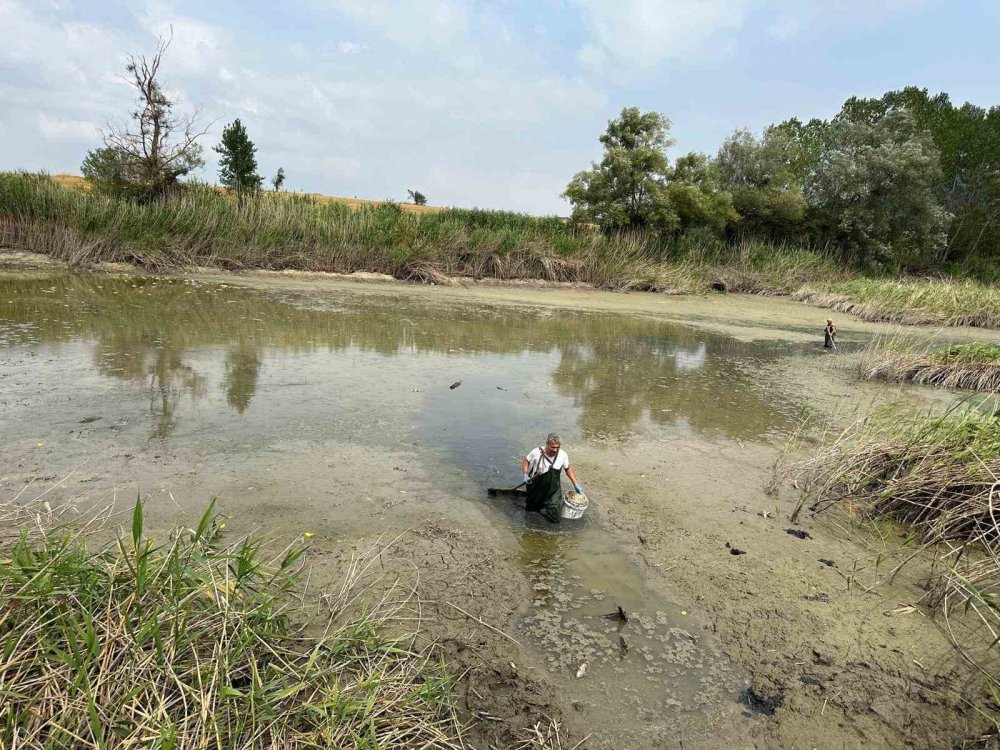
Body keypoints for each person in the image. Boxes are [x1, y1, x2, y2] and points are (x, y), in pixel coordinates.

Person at [521, 433, 584, 523]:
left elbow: (568, 468)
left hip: (553, 491)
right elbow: (526, 460)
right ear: (547, 444)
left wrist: (576, 484)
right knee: (531, 513)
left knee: (555, 517)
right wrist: (525, 475)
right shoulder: (536, 452)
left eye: (557, 447)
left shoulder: (563, 455)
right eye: (552, 447)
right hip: (536, 488)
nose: (555, 450)